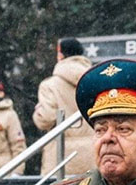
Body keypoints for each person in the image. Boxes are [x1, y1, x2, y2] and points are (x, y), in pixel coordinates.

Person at [33, 37, 94, 175]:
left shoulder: (49, 85)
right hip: (93, 153)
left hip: (60, 156)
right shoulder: (95, 81)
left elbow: (45, 119)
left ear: (60, 55)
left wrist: (37, 113)